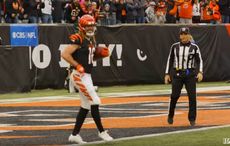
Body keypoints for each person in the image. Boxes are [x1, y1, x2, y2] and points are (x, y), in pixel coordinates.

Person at [61, 14, 113, 144]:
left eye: (92, 26)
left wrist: (100, 56)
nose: (90, 28)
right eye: (88, 26)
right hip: (79, 75)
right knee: (95, 101)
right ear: (82, 27)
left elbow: (89, 58)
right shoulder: (78, 39)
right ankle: (101, 132)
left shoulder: (91, 40)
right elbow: (65, 54)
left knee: (85, 105)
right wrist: (77, 65)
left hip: (87, 75)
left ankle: (74, 134)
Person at [164, 27, 203, 126]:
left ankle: (192, 118)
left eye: (185, 34)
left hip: (190, 74)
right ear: (180, 36)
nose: (184, 36)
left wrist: (200, 72)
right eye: (182, 34)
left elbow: (199, 60)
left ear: (189, 35)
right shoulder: (174, 46)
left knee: (192, 97)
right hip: (177, 74)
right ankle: (170, 115)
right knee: (174, 96)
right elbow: (170, 60)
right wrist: (167, 74)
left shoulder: (194, 47)